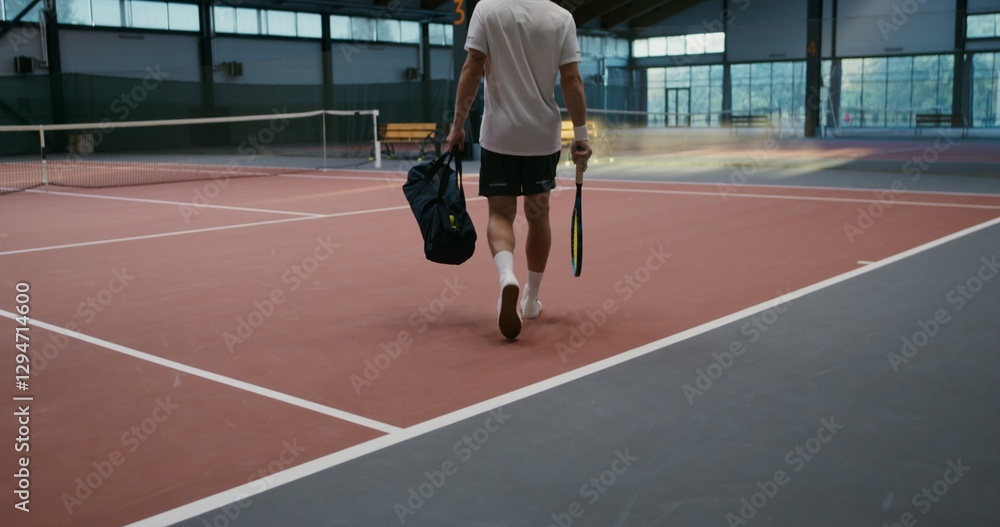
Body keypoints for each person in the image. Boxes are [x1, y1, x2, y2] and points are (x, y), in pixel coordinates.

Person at [446, 0, 592, 340]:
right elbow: (572, 79)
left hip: (500, 136)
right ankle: (531, 298)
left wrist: (457, 126)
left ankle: (506, 277)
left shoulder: (487, 10)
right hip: (542, 137)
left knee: (501, 213)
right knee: (538, 215)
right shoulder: (561, 18)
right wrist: (581, 136)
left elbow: (472, 68)